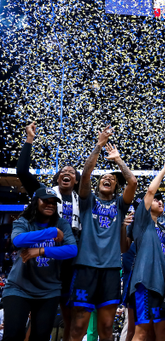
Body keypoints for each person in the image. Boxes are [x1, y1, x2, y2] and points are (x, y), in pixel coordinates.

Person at [68, 126, 137, 341]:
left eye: (112, 178)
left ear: (116, 186)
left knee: (107, 329)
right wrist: (99, 145)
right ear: (98, 184)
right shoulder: (88, 201)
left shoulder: (119, 204)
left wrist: (117, 159)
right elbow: (86, 173)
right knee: (78, 327)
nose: (107, 178)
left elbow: (133, 182)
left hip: (110, 269)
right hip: (86, 267)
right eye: (103, 177)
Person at [16, 122, 81, 340]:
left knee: (67, 310)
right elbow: (22, 172)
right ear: (56, 178)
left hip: (69, 256)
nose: (67, 172)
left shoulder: (83, 199)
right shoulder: (45, 194)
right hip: (44, 255)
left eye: (72, 172)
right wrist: (29, 140)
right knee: (37, 314)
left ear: (77, 180)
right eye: (63, 171)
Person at [3, 187, 77, 341]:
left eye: (53, 202)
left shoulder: (62, 223)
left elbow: (72, 250)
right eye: (46, 201)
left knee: (41, 337)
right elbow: (17, 240)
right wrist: (52, 232)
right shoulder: (23, 222)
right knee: (13, 335)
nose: (50, 204)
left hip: (49, 290)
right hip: (19, 288)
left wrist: (41, 250)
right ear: (36, 202)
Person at [128, 159, 165, 340]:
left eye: (161, 200)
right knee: (142, 332)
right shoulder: (143, 221)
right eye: (156, 199)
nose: (159, 201)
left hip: (163, 282)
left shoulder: (164, 229)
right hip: (146, 280)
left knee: (162, 333)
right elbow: (150, 190)